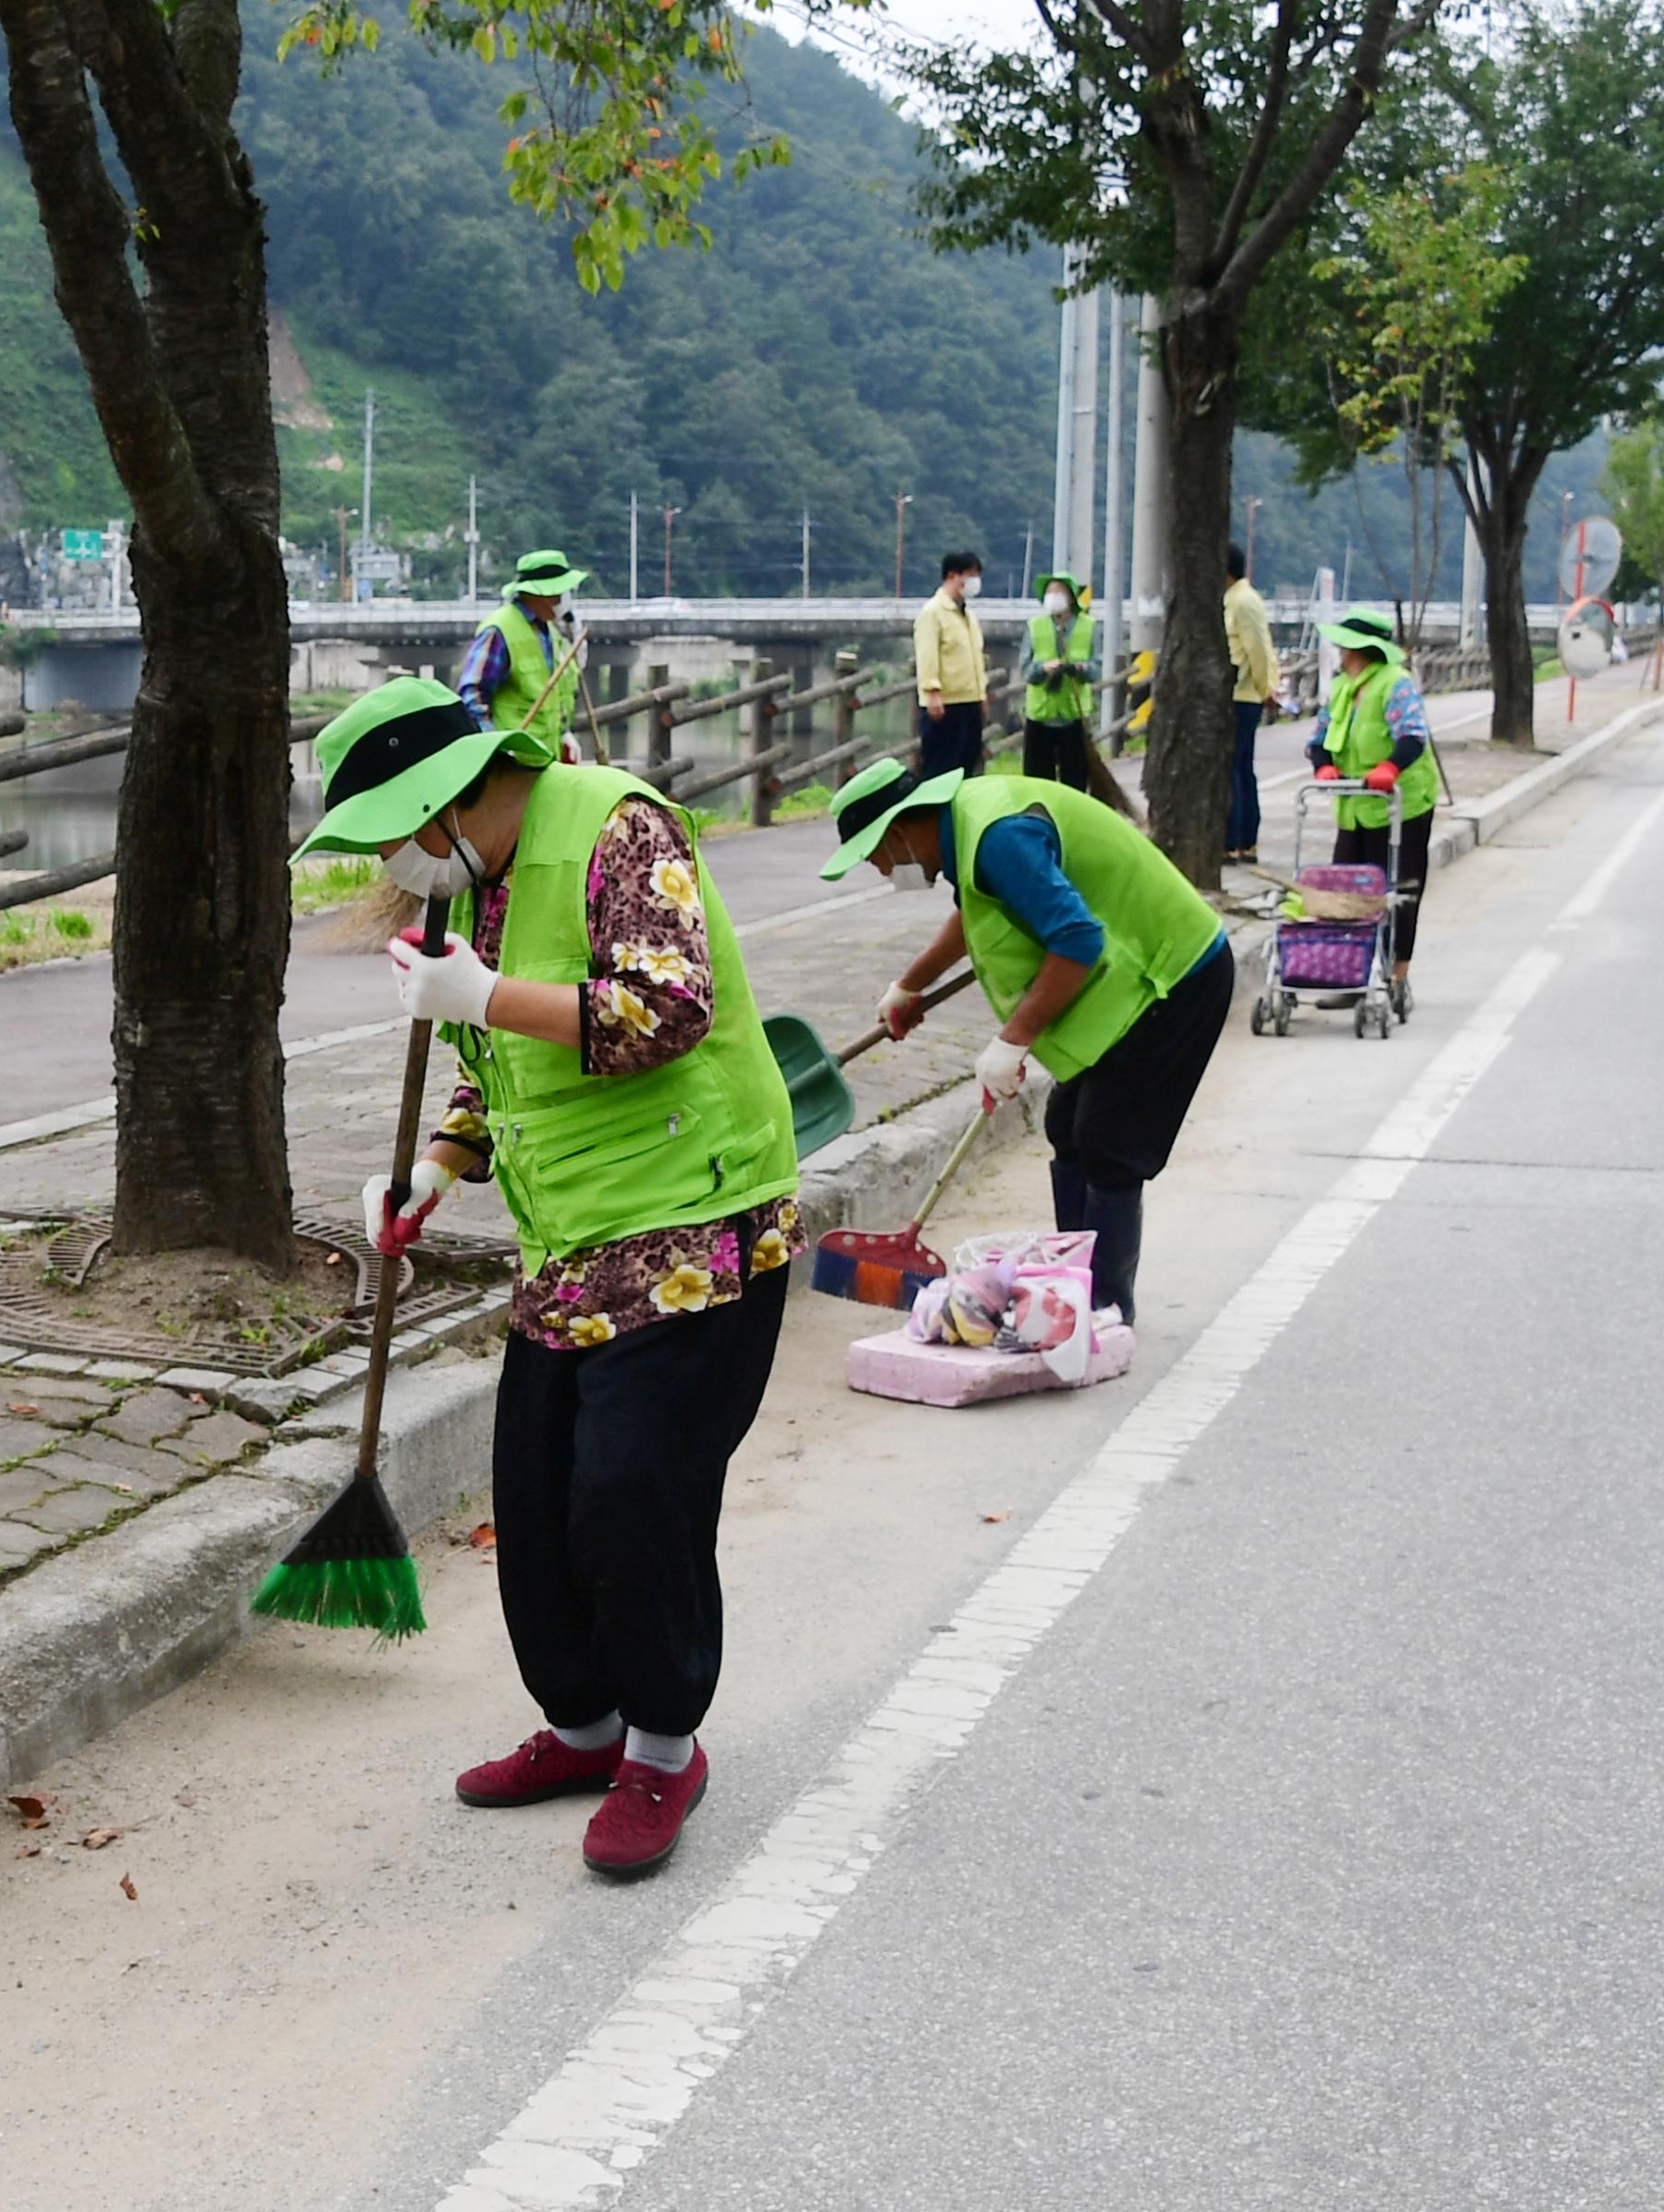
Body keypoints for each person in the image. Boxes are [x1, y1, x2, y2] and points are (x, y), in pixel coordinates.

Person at [297, 675, 804, 1880]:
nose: (391, 869)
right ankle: (585, 1730)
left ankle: (666, 1748)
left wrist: (485, 994)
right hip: (569, 1236)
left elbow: (668, 1008)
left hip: (694, 1221)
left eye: (393, 839)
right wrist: (430, 1169)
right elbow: (493, 1070)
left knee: (635, 1496)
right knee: (532, 1498)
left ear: (449, 804)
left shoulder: (617, 828)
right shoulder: (476, 893)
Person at [819, 754, 1228, 1328]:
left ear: (903, 827)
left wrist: (1012, 1042)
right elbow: (974, 914)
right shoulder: (967, 829)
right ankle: (1074, 1285)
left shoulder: (998, 838)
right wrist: (909, 986)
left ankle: (1106, 1309)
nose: (884, 872)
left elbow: (1077, 939)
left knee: (1108, 1141)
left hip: (1176, 973)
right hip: (1133, 983)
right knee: (1068, 1127)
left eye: (877, 855)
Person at [1306, 609, 1438, 999]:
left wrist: (1390, 766)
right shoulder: (1343, 685)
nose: (1340, 652)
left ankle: (1396, 974)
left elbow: (1413, 736)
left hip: (1401, 803)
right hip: (1355, 803)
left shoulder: (1395, 683)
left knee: (1399, 887)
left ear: (1361, 648)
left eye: (1345, 646)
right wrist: (1324, 765)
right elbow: (1319, 735)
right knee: (1347, 887)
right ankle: (1351, 973)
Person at [458, 548, 589, 760]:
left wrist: (564, 732)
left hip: (546, 758)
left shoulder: (551, 632)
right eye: (559, 593)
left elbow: (555, 696)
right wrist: (494, 746)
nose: (562, 600)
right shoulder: (499, 630)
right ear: (542, 594)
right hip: (514, 760)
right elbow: (472, 693)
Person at [1225, 544, 1282, 863]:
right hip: (1243, 693)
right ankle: (1244, 839)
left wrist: (1264, 689)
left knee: (1234, 768)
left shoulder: (1242, 602)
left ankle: (1236, 838)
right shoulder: (1239, 599)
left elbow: (1257, 649)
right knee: (1240, 767)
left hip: (1241, 694)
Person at [912, 549, 990, 780]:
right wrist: (932, 691)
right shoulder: (933, 612)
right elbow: (927, 654)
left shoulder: (969, 616)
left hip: (970, 701)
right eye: (971, 574)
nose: (975, 581)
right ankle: (935, 815)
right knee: (941, 766)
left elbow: (976, 657)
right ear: (953, 575)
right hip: (945, 703)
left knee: (967, 763)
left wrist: (981, 693)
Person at [1018, 572, 1095, 792]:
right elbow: (1025, 670)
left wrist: (1080, 668)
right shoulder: (1034, 625)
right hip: (1040, 715)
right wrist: (1043, 668)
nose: (1053, 597)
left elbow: (1096, 669)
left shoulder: (1088, 626)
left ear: (1071, 597)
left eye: (1058, 592)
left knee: (1075, 780)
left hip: (1073, 715)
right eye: (1049, 592)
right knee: (1037, 783)